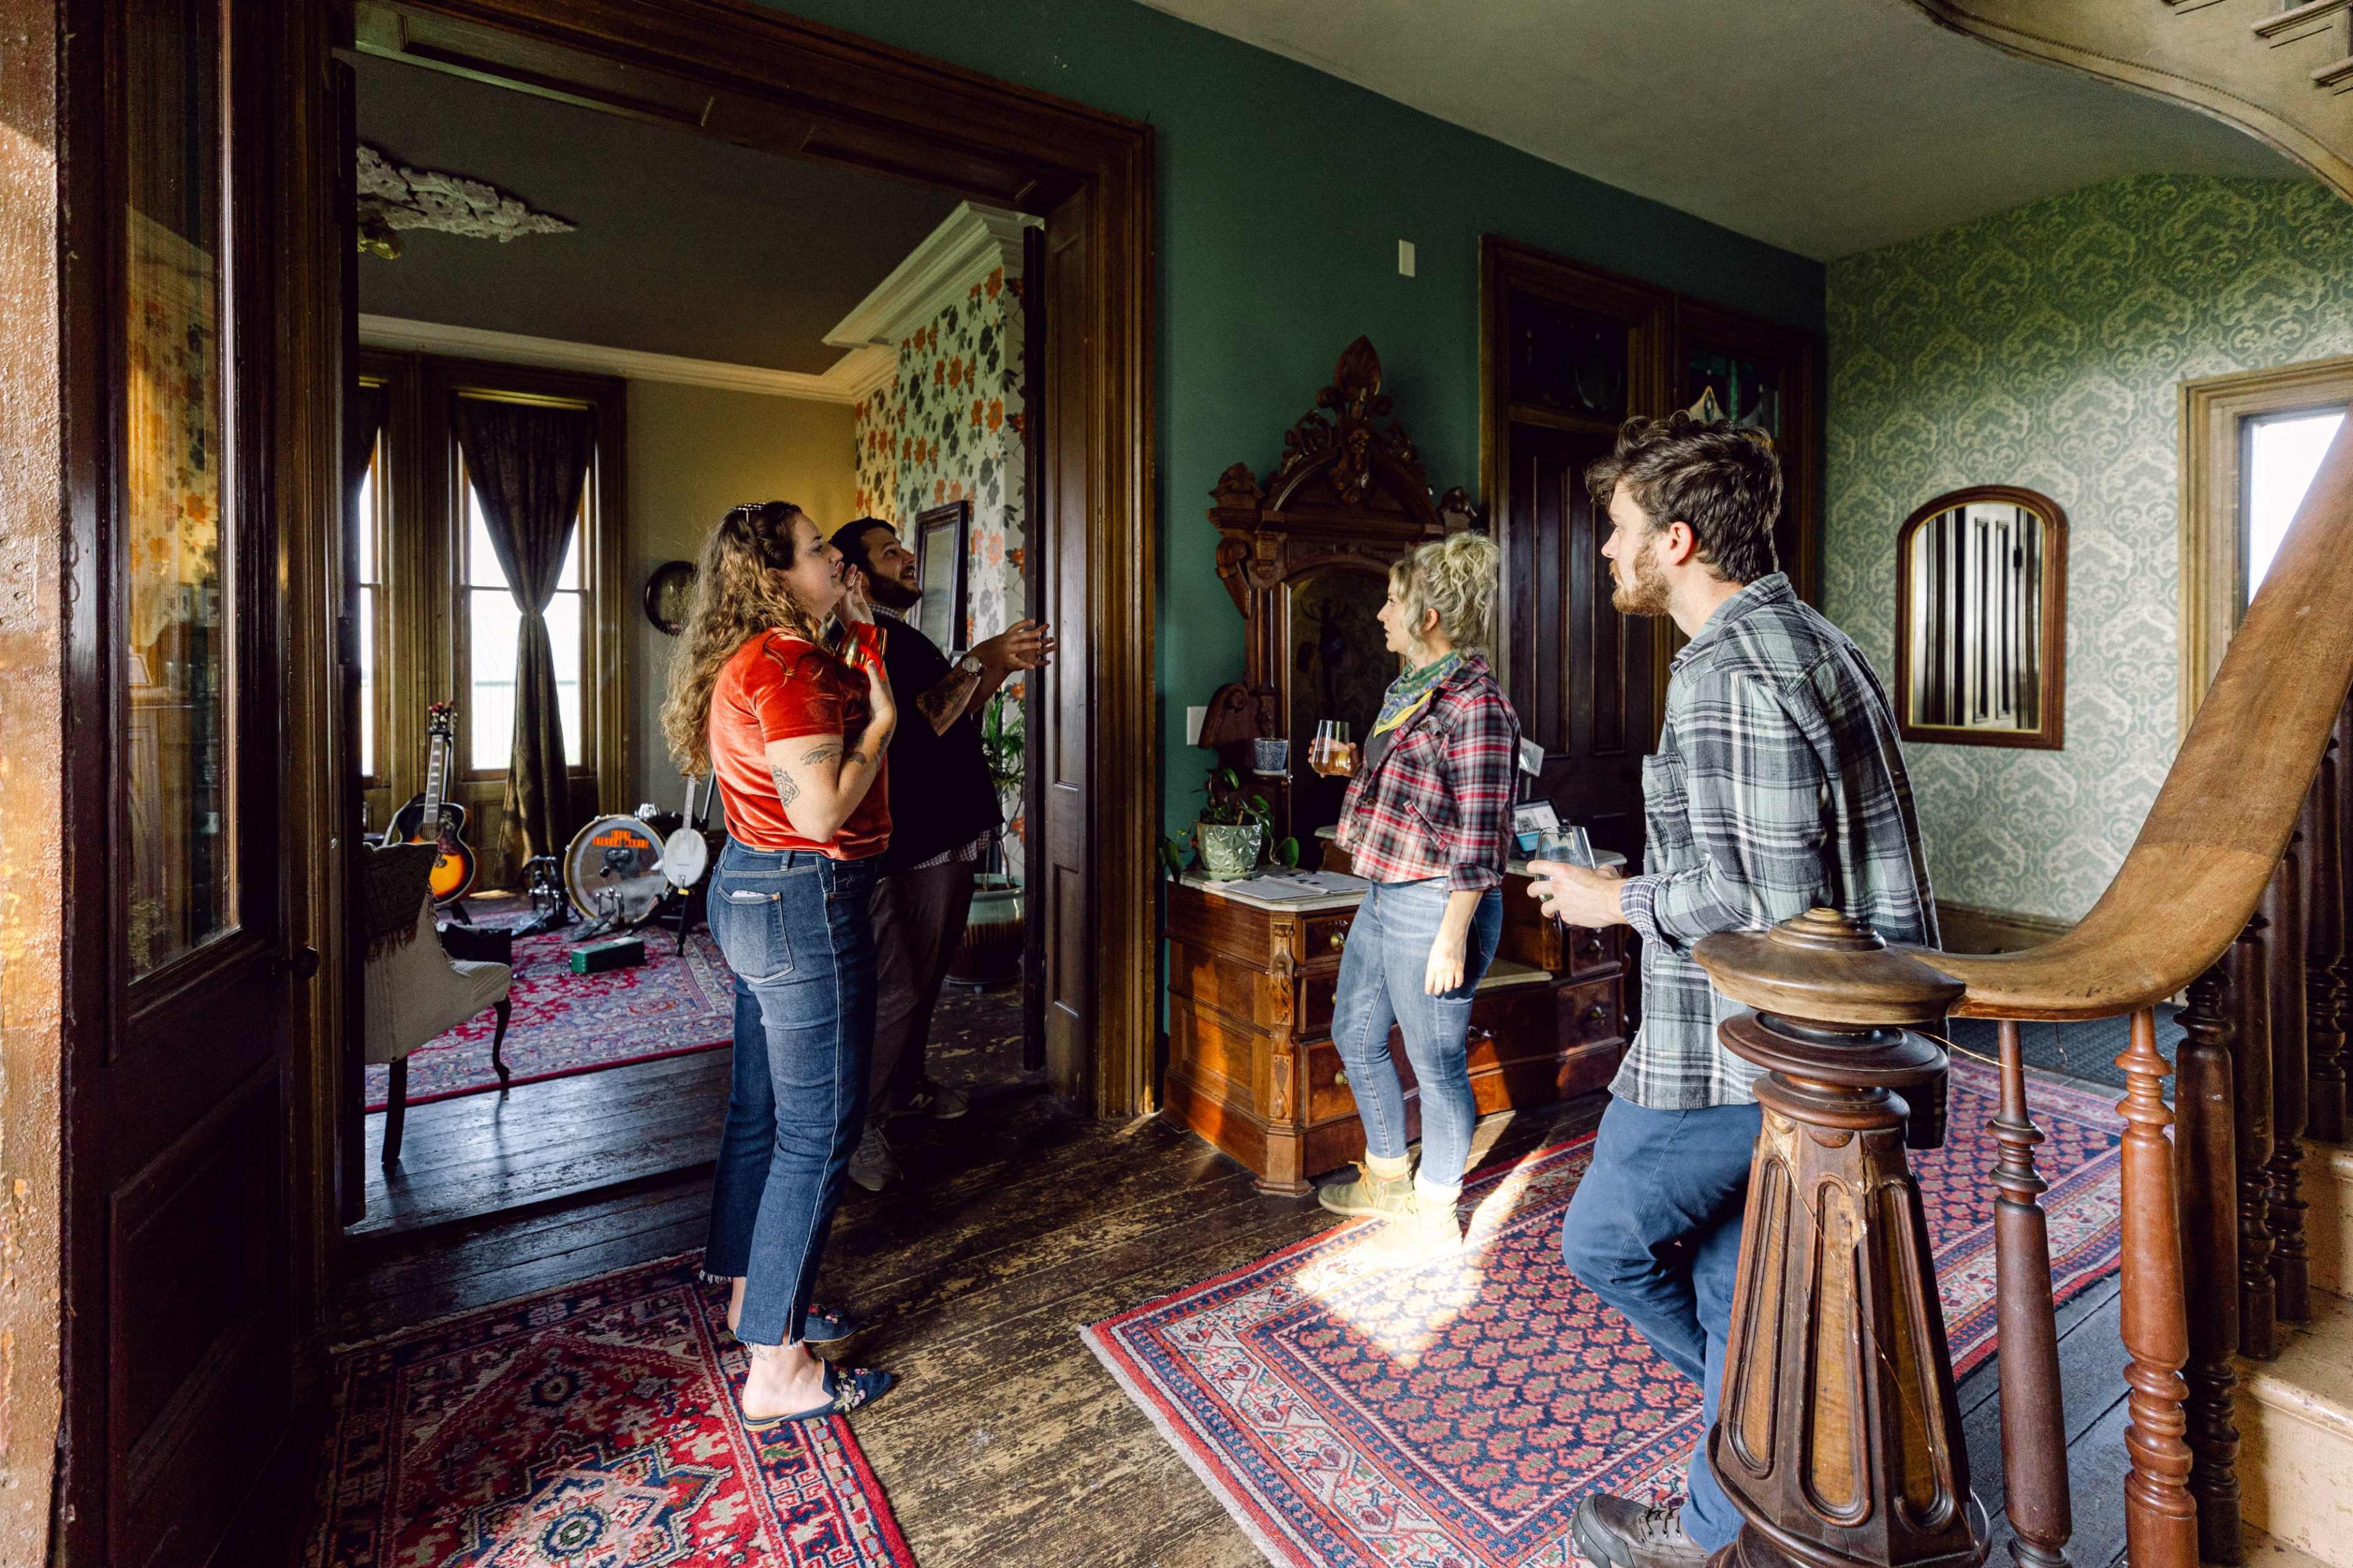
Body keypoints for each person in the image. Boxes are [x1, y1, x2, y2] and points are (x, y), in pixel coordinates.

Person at [1530, 414, 1936, 1568]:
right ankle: (1728, 1516)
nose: (1607, 552)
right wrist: (1643, 883)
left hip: (1750, 1048)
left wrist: (1614, 902)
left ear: (1680, 538)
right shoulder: (1814, 637)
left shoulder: (1722, 671)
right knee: (1730, 1271)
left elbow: (1769, 900)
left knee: (1603, 1241)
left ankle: (1782, 1434)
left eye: (1619, 531)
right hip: (1824, 1043)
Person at [660, 499, 899, 1425]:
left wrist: (864, 646)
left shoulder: (769, 656)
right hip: (803, 894)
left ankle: (753, 1302)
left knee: (762, 1110)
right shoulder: (789, 666)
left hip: (754, 886)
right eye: (815, 548)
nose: (834, 554)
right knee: (819, 1128)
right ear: (773, 576)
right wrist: (878, 729)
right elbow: (823, 810)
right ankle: (780, 1367)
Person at [826, 517, 1055, 1190]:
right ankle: (856, 1125)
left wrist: (990, 667)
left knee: (922, 982)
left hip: (946, 833)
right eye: (889, 551)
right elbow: (920, 719)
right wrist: (984, 658)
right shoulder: (862, 641)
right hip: (908, 841)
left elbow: (950, 710)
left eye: (903, 545)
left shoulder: (903, 635)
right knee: (895, 988)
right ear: (857, 575)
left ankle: (906, 1088)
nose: (906, 557)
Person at [1314, 531, 1520, 1262]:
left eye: (1394, 600)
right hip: (1386, 889)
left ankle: (1436, 1211)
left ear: (1429, 613)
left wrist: (1450, 936)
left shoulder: (1478, 707)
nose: (1380, 614)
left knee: (1435, 1064)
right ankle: (1387, 1176)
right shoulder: (1408, 693)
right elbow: (1414, 797)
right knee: (1356, 1035)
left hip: (1438, 902)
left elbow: (1480, 836)